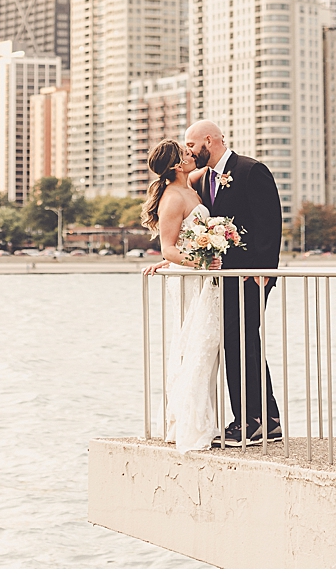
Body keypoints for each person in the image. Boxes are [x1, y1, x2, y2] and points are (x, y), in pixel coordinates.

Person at [184, 119, 282, 448]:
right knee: (242, 343)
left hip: (251, 276)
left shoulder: (251, 170)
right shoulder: (204, 179)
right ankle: (267, 419)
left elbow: (270, 221)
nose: (190, 151)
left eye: (192, 145)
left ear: (209, 141)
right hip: (224, 276)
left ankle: (248, 421)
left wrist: (264, 270)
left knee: (239, 343)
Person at [140, 138, 223, 452]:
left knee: (205, 345)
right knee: (196, 345)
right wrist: (199, 261)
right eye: (188, 153)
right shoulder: (173, 197)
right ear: (176, 164)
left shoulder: (191, 187)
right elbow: (169, 248)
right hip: (192, 280)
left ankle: (201, 420)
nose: (193, 155)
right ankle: (191, 425)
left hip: (203, 278)